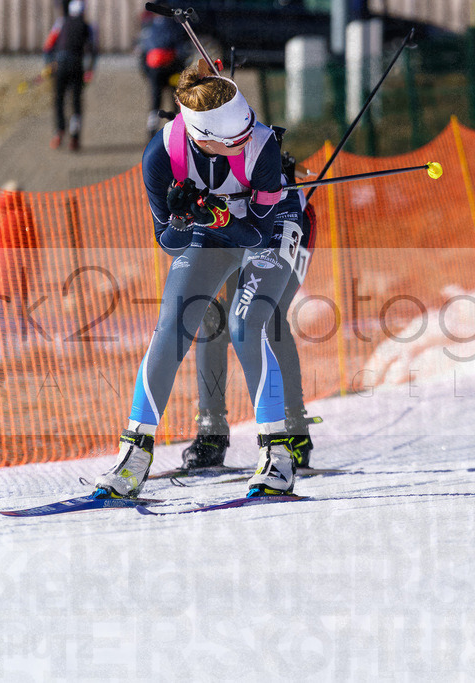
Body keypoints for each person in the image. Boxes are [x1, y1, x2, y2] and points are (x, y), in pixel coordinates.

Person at [94, 60, 306, 498]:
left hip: (274, 223)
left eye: (248, 129)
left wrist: (212, 212)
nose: (247, 140)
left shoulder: (260, 146)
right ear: (202, 138)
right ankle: (134, 452)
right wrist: (182, 214)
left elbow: (258, 234)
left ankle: (278, 454)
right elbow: (168, 242)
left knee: (246, 325)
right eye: (236, 140)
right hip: (213, 230)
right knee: (173, 324)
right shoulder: (161, 155)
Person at [181, 155, 320, 470]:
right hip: (230, 229)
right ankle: (211, 432)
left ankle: (293, 430)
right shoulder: (184, 153)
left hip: (282, 222)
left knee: (267, 319)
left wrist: (283, 165)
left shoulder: (246, 140)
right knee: (213, 320)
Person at [0, 181, 39, 336]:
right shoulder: (25, 213)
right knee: (21, 298)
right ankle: (22, 332)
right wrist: (35, 261)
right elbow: (33, 238)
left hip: (1, 260)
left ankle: (0, 333)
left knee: (2, 297)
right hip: (22, 259)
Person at [44, 0, 98, 152]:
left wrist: (49, 64)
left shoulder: (60, 23)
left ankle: (59, 131)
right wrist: (90, 70)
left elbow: (48, 46)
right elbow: (93, 51)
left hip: (60, 65)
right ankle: (74, 136)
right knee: (75, 102)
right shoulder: (88, 27)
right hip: (77, 66)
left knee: (59, 100)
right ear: (83, 12)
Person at [137, 1, 192, 138]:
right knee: (176, 100)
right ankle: (177, 130)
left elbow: (143, 53)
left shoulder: (148, 28)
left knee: (155, 101)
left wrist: (147, 72)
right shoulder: (175, 26)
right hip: (172, 70)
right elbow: (182, 51)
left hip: (155, 71)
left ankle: (151, 129)